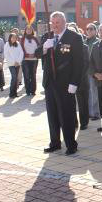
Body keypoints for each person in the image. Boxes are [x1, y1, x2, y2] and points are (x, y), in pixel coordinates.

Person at [35, 11, 84, 155]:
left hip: (66, 84)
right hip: (50, 83)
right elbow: (37, 54)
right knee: (52, 115)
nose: (55, 25)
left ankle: (71, 145)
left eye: (58, 22)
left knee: (67, 115)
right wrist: (45, 47)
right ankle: (55, 143)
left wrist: (74, 83)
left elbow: (79, 63)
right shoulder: (47, 37)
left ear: (64, 22)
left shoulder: (74, 37)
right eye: (53, 23)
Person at [86, 24, 100, 120]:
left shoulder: (98, 42)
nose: (89, 31)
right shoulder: (84, 41)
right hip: (85, 70)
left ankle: (95, 113)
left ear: (95, 31)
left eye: (91, 29)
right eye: (87, 29)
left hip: (94, 71)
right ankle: (89, 112)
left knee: (94, 92)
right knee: (87, 93)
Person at [21, 26, 40, 96]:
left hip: (34, 59)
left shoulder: (35, 38)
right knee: (26, 75)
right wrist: (28, 55)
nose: (28, 30)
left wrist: (35, 54)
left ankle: (33, 90)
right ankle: (28, 90)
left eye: (30, 29)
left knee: (33, 75)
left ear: (32, 30)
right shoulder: (22, 39)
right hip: (25, 60)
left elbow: (39, 48)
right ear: (25, 30)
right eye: (27, 29)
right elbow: (21, 49)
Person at [4, 33, 24, 98]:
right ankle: (11, 93)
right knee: (14, 77)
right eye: (12, 37)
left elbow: (21, 53)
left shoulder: (18, 44)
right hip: (11, 64)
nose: (14, 38)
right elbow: (6, 55)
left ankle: (15, 93)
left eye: (15, 37)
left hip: (18, 64)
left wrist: (18, 61)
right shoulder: (7, 44)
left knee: (16, 78)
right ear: (10, 38)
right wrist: (13, 62)